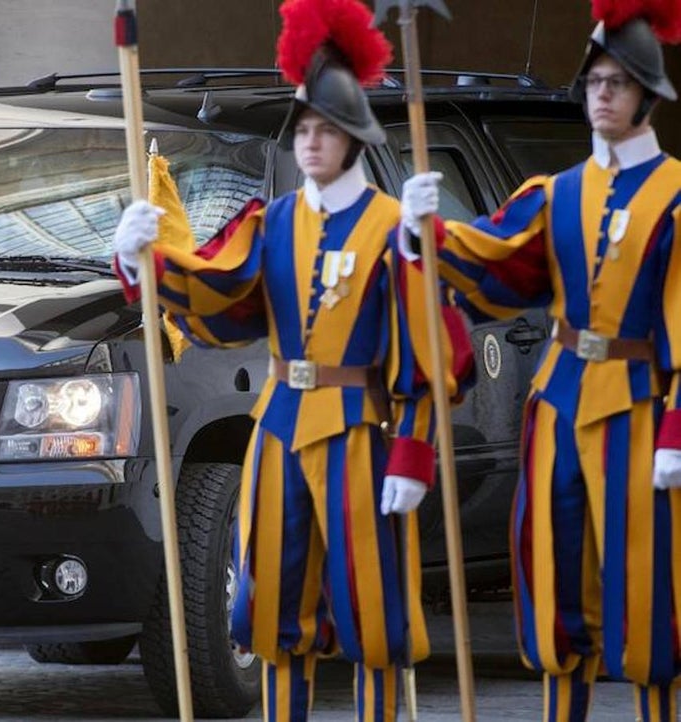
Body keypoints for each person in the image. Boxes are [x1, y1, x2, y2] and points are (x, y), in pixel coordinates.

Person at [114, 1, 471, 719]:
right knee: (273, 605)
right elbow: (218, 289)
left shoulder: (388, 227)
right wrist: (142, 258)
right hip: (278, 430)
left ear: (353, 138)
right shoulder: (270, 222)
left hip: (358, 431)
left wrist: (413, 453)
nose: (311, 142)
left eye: (326, 130)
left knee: (372, 614)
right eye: (304, 128)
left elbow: (434, 344)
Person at [400, 2, 681, 719]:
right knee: (554, 579)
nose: (603, 95)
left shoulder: (679, 198)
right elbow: (494, 264)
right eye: (594, 83)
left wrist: (678, 428)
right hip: (559, 402)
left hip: (643, 405)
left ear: (647, 93)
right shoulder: (555, 195)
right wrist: (427, 232)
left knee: (647, 589)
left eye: (619, 83)